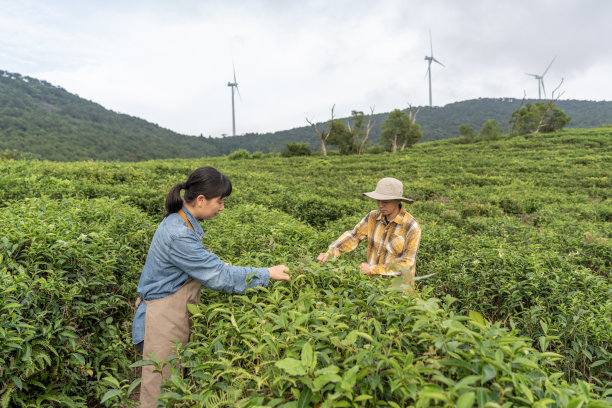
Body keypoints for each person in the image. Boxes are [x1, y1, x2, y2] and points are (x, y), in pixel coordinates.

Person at [132, 166, 290, 407]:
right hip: (159, 322)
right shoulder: (179, 234)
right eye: (221, 201)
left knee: (170, 388)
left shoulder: (180, 221)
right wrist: (267, 273)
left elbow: (201, 265)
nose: (222, 208)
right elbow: (218, 276)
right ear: (201, 200)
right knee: (160, 395)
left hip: (167, 316)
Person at [317, 177, 421, 282]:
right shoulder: (372, 217)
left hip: (398, 291)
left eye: (386, 201)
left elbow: (406, 263)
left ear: (398, 200)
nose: (380, 205)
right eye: (378, 200)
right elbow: (354, 236)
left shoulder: (411, 226)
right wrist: (330, 253)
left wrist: (373, 269)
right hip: (374, 286)